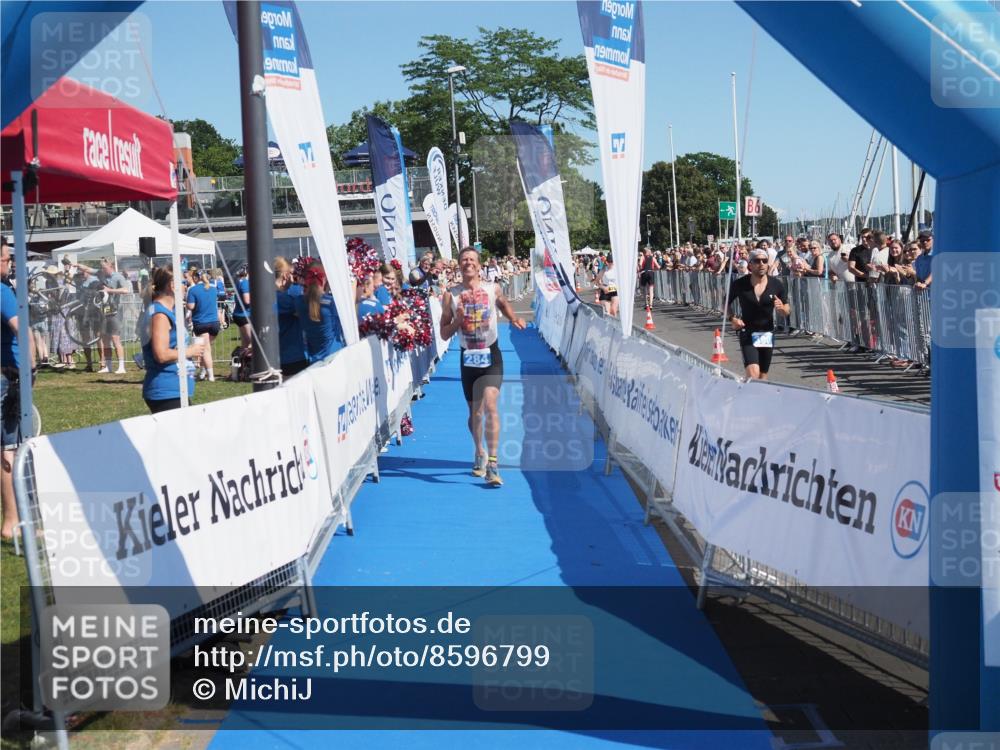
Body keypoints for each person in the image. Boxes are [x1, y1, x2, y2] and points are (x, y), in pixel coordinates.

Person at [439, 247, 526, 487]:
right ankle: (479, 451)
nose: (468, 263)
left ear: (479, 265)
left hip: (491, 355)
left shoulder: (492, 288)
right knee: (475, 414)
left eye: (472, 260)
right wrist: (457, 319)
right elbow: (444, 333)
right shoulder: (451, 295)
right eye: (464, 260)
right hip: (468, 357)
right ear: (459, 265)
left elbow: (503, 303)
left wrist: (513, 318)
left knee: (490, 405)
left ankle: (494, 464)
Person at [1, 241, 34, 540]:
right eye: (6, 258)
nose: (9, 263)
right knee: (11, 449)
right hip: (8, 376)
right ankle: (13, 521)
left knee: (8, 448)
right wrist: (32, 367)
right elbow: (20, 329)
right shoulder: (2, 291)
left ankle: (13, 520)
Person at [142, 267, 203, 413]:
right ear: (172, 285)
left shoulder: (164, 310)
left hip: (174, 389)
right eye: (182, 282)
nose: (185, 287)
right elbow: (161, 354)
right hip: (167, 391)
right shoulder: (159, 315)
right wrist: (190, 351)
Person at [726, 247, 791, 381]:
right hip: (747, 332)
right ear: (750, 264)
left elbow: (787, 309)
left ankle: (759, 400)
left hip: (767, 333)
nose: (761, 264)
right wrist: (732, 318)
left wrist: (782, 309)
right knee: (753, 375)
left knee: (762, 376)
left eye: (764, 261)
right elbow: (725, 303)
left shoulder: (776, 285)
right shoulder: (740, 284)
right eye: (757, 261)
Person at [294, 260, 345, 363]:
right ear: (324, 279)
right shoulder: (332, 303)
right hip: (334, 358)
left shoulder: (299, 302)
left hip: (313, 360)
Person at [274, 257, 308, 379]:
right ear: (285, 275)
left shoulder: (271, 296)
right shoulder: (283, 299)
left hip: (278, 354)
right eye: (291, 274)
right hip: (291, 355)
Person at [95, 258, 130, 373]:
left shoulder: (118, 277)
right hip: (105, 312)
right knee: (105, 339)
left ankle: (121, 367)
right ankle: (108, 366)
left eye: (104, 267)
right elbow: (90, 270)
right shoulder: (103, 275)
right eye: (101, 267)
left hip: (115, 312)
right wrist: (78, 265)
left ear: (110, 266)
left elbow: (126, 290)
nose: (102, 269)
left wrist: (110, 290)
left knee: (116, 339)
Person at [185, 270, 219, 381]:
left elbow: (191, 306)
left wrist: (186, 303)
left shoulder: (193, 290)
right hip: (214, 323)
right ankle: (204, 371)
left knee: (206, 350)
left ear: (195, 278)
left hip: (201, 323)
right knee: (207, 348)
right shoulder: (213, 288)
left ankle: (211, 376)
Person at [232, 264, 252, 350]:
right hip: (244, 315)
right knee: (252, 343)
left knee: (245, 344)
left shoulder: (239, 281)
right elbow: (247, 301)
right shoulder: (245, 283)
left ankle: (242, 362)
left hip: (239, 314)